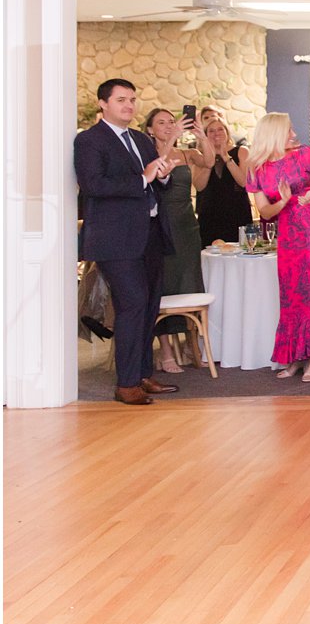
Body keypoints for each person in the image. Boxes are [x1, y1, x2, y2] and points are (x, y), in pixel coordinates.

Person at [73, 78, 182, 405]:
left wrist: (161, 175)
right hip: (114, 239)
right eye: (121, 100)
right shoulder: (90, 141)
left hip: (149, 234)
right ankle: (127, 384)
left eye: (133, 100)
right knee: (132, 304)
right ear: (103, 104)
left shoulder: (140, 138)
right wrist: (144, 177)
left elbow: (156, 184)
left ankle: (142, 374)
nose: (129, 106)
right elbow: (93, 185)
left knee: (149, 306)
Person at [247, 112, 310, 383]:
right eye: (288, 130)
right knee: (290, 293)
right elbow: (264, 211)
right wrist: (284, 202)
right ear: (273, 133)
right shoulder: (256, 168)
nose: (293, 133)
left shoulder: (305, 154)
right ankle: (295, 356)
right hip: (287, 231)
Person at [143, 107, 211, 373]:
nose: (169, 126)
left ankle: (191, 344)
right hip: (159, 224)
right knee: (164, 287)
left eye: (172, 122)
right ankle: (166, 350)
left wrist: (201, 135)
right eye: (162, 123)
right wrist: (172, 139)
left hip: (186, 225)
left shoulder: (185, 154)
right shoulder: (147, 154)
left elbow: (208, 161)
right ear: (150, 129)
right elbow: (157, 168)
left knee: (189, 283)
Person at [194, 115, 253, 246]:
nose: (216, 133)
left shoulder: (241, 151)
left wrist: (226, 158)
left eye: (220, 129)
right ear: (205, 135)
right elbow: (199, 186)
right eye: (211, 131)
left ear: (227, 132)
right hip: (210, 214)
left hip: (237, 212)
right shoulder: (199, 155)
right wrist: (209, 159)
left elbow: (243, 182)